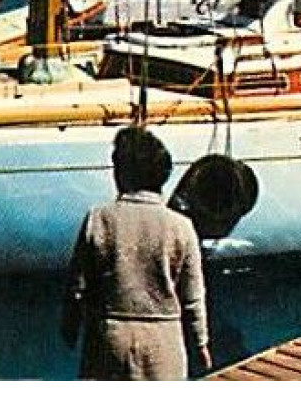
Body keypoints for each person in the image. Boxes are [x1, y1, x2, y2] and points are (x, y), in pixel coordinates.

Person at [63, 125, 210, 381]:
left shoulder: (99, 218)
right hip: (162, 341)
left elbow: (78, 286)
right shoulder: (181, 227)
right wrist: (200, 343)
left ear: (121, 174)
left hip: (108, 336)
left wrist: (71, 326)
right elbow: (192, 297)